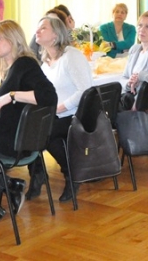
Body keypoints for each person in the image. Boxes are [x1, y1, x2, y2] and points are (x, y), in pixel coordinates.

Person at [0, 20, 57, 217]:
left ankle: (0, 194)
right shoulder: (13, 66)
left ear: (12, 39)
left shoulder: (25, 64)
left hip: (14, 140)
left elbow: (49, 96)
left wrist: (11, 96)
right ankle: (9, 187)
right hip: (12, 135)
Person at [34, 16, 93, 202]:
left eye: (43, 28)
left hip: (77, 114)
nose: (37, 31)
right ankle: (38, 173)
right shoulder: (45, 63)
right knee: (30, 128)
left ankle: (70, 174)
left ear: (55, 35)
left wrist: (59, 108)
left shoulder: (71, 56)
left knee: (44, 132)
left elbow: (85, 90)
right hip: (58, 115)